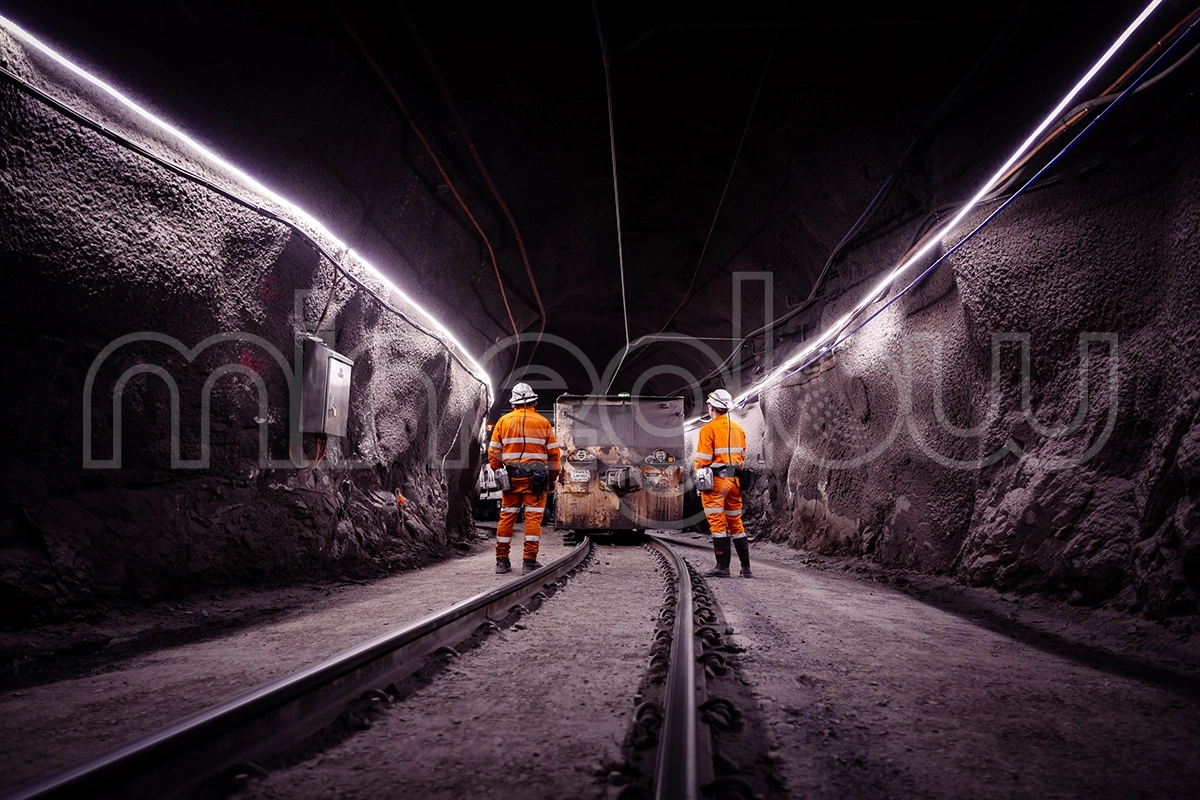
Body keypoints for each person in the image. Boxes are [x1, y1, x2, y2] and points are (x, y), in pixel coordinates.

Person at [488, 382, 561, 574]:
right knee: (533, 519)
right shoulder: (543, 423)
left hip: (510, 479)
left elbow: (493, 452)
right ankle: (529, 562)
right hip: (536, 482)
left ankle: (502, 561)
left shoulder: (503, 422)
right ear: (533, 402)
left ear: (514, 403)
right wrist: (553, 479)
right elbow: (554, 456)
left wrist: (499, 471)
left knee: (506, 517)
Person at [694, 389, 752, 578]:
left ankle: (722, 567)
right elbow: (742, 460)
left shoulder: (708, 430)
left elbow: (702, 461)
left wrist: (699, 481)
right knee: (736, 522)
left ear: (711, 408)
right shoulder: (739, 429)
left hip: (716, 483)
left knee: (718, 523)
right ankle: (746, 568)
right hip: (734, 481)